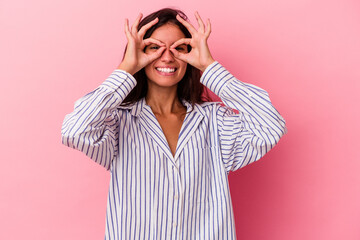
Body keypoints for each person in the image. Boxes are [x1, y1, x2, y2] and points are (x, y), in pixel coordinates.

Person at [61, 8, 287, 240]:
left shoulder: (214, 122)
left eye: (179, 48)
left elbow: (270, 125)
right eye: (154, 48)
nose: (167, 57)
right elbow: (75, 131)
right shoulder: (117, 122)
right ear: (138, 53)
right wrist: (126, 69)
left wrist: (209, 67)